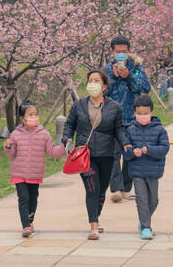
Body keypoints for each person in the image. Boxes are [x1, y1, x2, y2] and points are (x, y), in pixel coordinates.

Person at [62, 69, 130, 240]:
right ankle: (93, 226)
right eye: (90, 80)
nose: (92, 84)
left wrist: (125, 142)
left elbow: (119, 129)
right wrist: (67, 139)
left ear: (104, 86)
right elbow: (70, 125)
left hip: (107, 154)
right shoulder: (78, 105)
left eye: (96, 81)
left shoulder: (114, 107)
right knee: (92, 189)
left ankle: (96, 219)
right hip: (85, 155)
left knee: (101, 191)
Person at [4, 101, 66, 238]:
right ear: (22, 118)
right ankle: (25, 225)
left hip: (35, 174)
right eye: (30, 114)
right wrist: (8, 147)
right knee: (23, 198)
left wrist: (63, 149)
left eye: (35, 114)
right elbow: (11, 154)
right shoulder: (15, 134)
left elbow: (52, 152)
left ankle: (30, 221)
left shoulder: (43, 134)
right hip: (19, 173)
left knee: (33, 199)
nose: (34, 117)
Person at [106, 35, 151, 202]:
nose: (121, 55)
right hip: (112, 119)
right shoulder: (107, 70)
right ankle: (116, 188)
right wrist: (115, 78)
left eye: (124, 52)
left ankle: (126, 188)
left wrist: (129, 77)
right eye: (118, 52)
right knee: (114, 155)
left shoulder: (137, 68)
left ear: (129, 51)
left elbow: (145, 87)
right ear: (112, 51)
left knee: (130, 154)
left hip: (133, 119)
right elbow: (101, 92)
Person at [124, 95, 170, 240]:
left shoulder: (160, 130)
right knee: (142, 200)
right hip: (137, 171)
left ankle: (144, 220)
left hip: (153, 171)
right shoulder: (130, 131)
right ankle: (145, 227)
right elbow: (124, 152)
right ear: (134, 113)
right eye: (139, 114)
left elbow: (164, 149)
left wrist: (148, 150)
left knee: (153, 200)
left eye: (145, 113)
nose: (142, 116)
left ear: (152, 113)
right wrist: (132, 152)